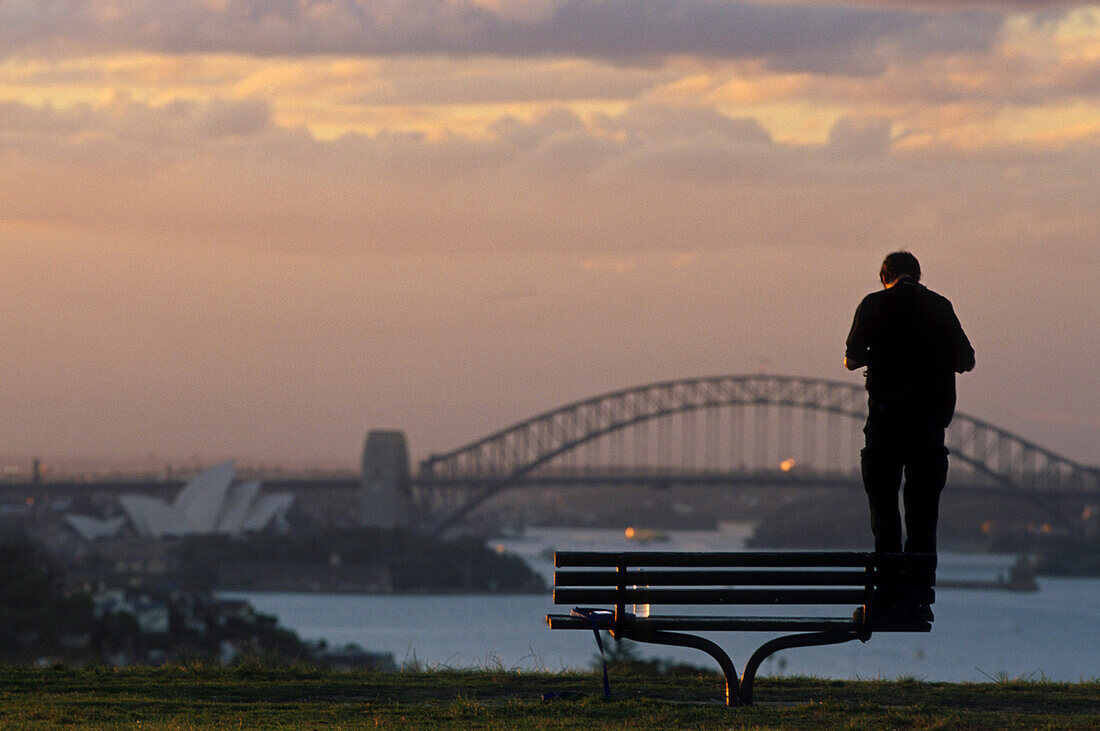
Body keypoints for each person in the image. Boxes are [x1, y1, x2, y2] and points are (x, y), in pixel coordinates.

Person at [845, 252, 974, 619]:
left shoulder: (873, 305)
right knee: (922, 518)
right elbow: (966, 360)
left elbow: (852, 359)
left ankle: (886, 600)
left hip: (885, 426)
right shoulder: (939, 306)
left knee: (884, 515)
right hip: (929, 429)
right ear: (918, 275)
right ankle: (917, 602)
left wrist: (879, 356)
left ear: (884, 276)